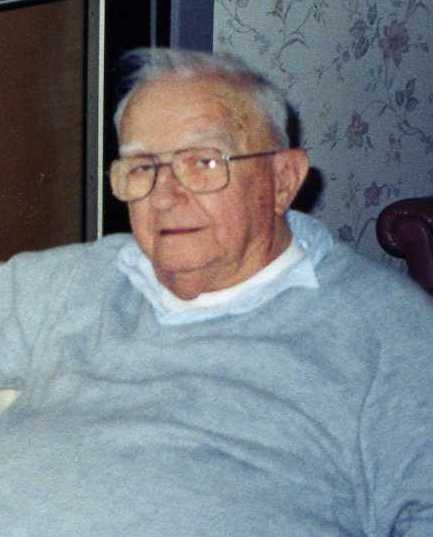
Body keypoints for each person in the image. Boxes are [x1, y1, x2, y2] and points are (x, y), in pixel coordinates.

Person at [0, 48, 432, 537]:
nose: (165, 196)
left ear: (283, 180)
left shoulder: (388, 328)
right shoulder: (77, 280)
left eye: (203, 162)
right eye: (141, 168)